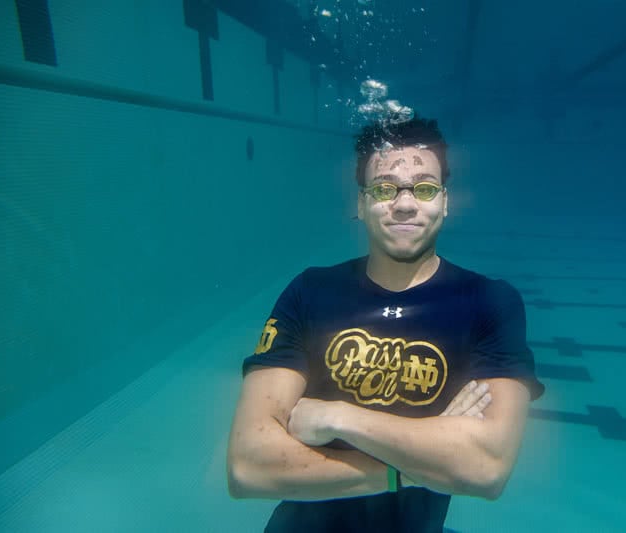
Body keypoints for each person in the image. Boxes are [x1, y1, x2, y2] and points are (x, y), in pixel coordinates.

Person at [226, 116, 546, 532]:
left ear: (445, 202)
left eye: (425, 188)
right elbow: (248, 465)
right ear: (361, 204)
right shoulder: (311, 291)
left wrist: (338, 418)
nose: (405, 204)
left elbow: (486, 469)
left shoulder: (488, 303)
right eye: (384, 189)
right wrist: (411, 471)